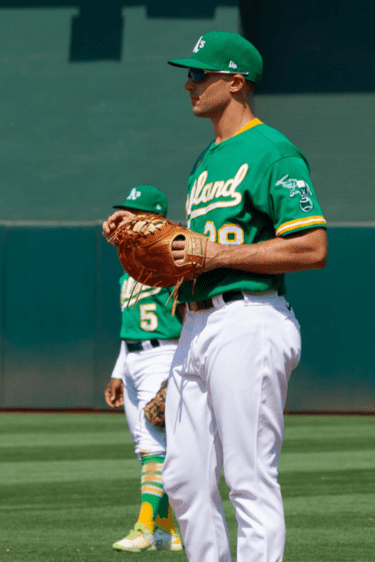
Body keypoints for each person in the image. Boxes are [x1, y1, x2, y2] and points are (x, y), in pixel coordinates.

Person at [103, 31, 328, 562]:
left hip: (250, 318)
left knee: (248, 477)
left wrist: (217, 257)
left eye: (199, 74)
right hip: (197, 327)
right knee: (181, 476)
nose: (188, 84)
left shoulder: (274, 151)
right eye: (189, 74)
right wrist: (144, 230)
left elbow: (312, 246)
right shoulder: (204, 161)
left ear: (235, 81)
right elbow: (197, 248)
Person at [104, 185, 184, 553]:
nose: (129, 219)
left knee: (155, 444)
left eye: (136, 213)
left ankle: (144, 529)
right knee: (147, 447)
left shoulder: (168, 261)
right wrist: (118, 371)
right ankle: (167, 529)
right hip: (133, 356)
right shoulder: (128, 269)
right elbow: (130, 328)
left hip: (162, 354)